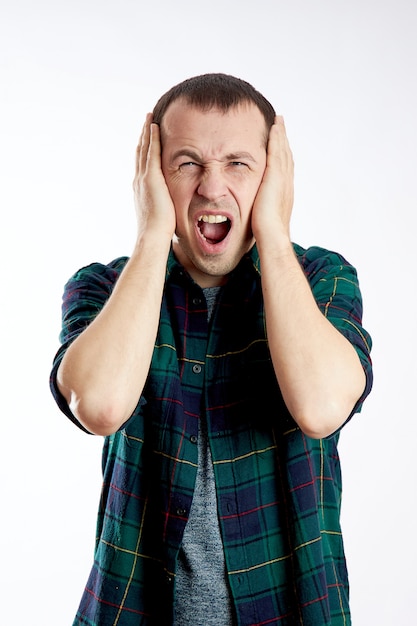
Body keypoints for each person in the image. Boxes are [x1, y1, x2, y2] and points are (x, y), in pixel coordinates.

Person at [50, 73, 373, 626]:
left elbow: (320, 408)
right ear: (152, 174)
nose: (211, 186)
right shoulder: (103, 289)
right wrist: (153, 234)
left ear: (274, 176)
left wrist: (272, 230)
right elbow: (98, 405)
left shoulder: (321, 278)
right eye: (187, 163)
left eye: (239, 164)